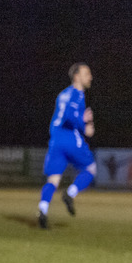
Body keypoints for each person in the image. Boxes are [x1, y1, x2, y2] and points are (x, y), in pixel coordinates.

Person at [38, 63, 95, 229]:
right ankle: (70, 194)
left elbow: (60, 116)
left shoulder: (62, 94)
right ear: (76, 76)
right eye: (87, 73)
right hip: (70, 139)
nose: (90, 77)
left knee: (53, 179)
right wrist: (85, 126)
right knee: (91, 169)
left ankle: (43, 209)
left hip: (55, 139)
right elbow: (71, 115)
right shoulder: (77, 94)